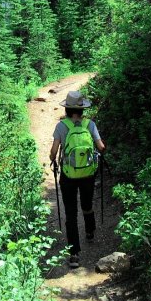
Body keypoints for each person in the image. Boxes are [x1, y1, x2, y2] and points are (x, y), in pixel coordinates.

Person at [49, 90, 105, 269]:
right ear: (82, 109)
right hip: (88, 173)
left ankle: (74, 254)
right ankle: (90, 231)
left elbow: (53, 151)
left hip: (68, 175)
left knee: (71, 212)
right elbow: (101, 146)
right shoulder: (90, 124)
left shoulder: (61, 126)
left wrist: (53, 159)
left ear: (67, 109)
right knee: (87, 204)